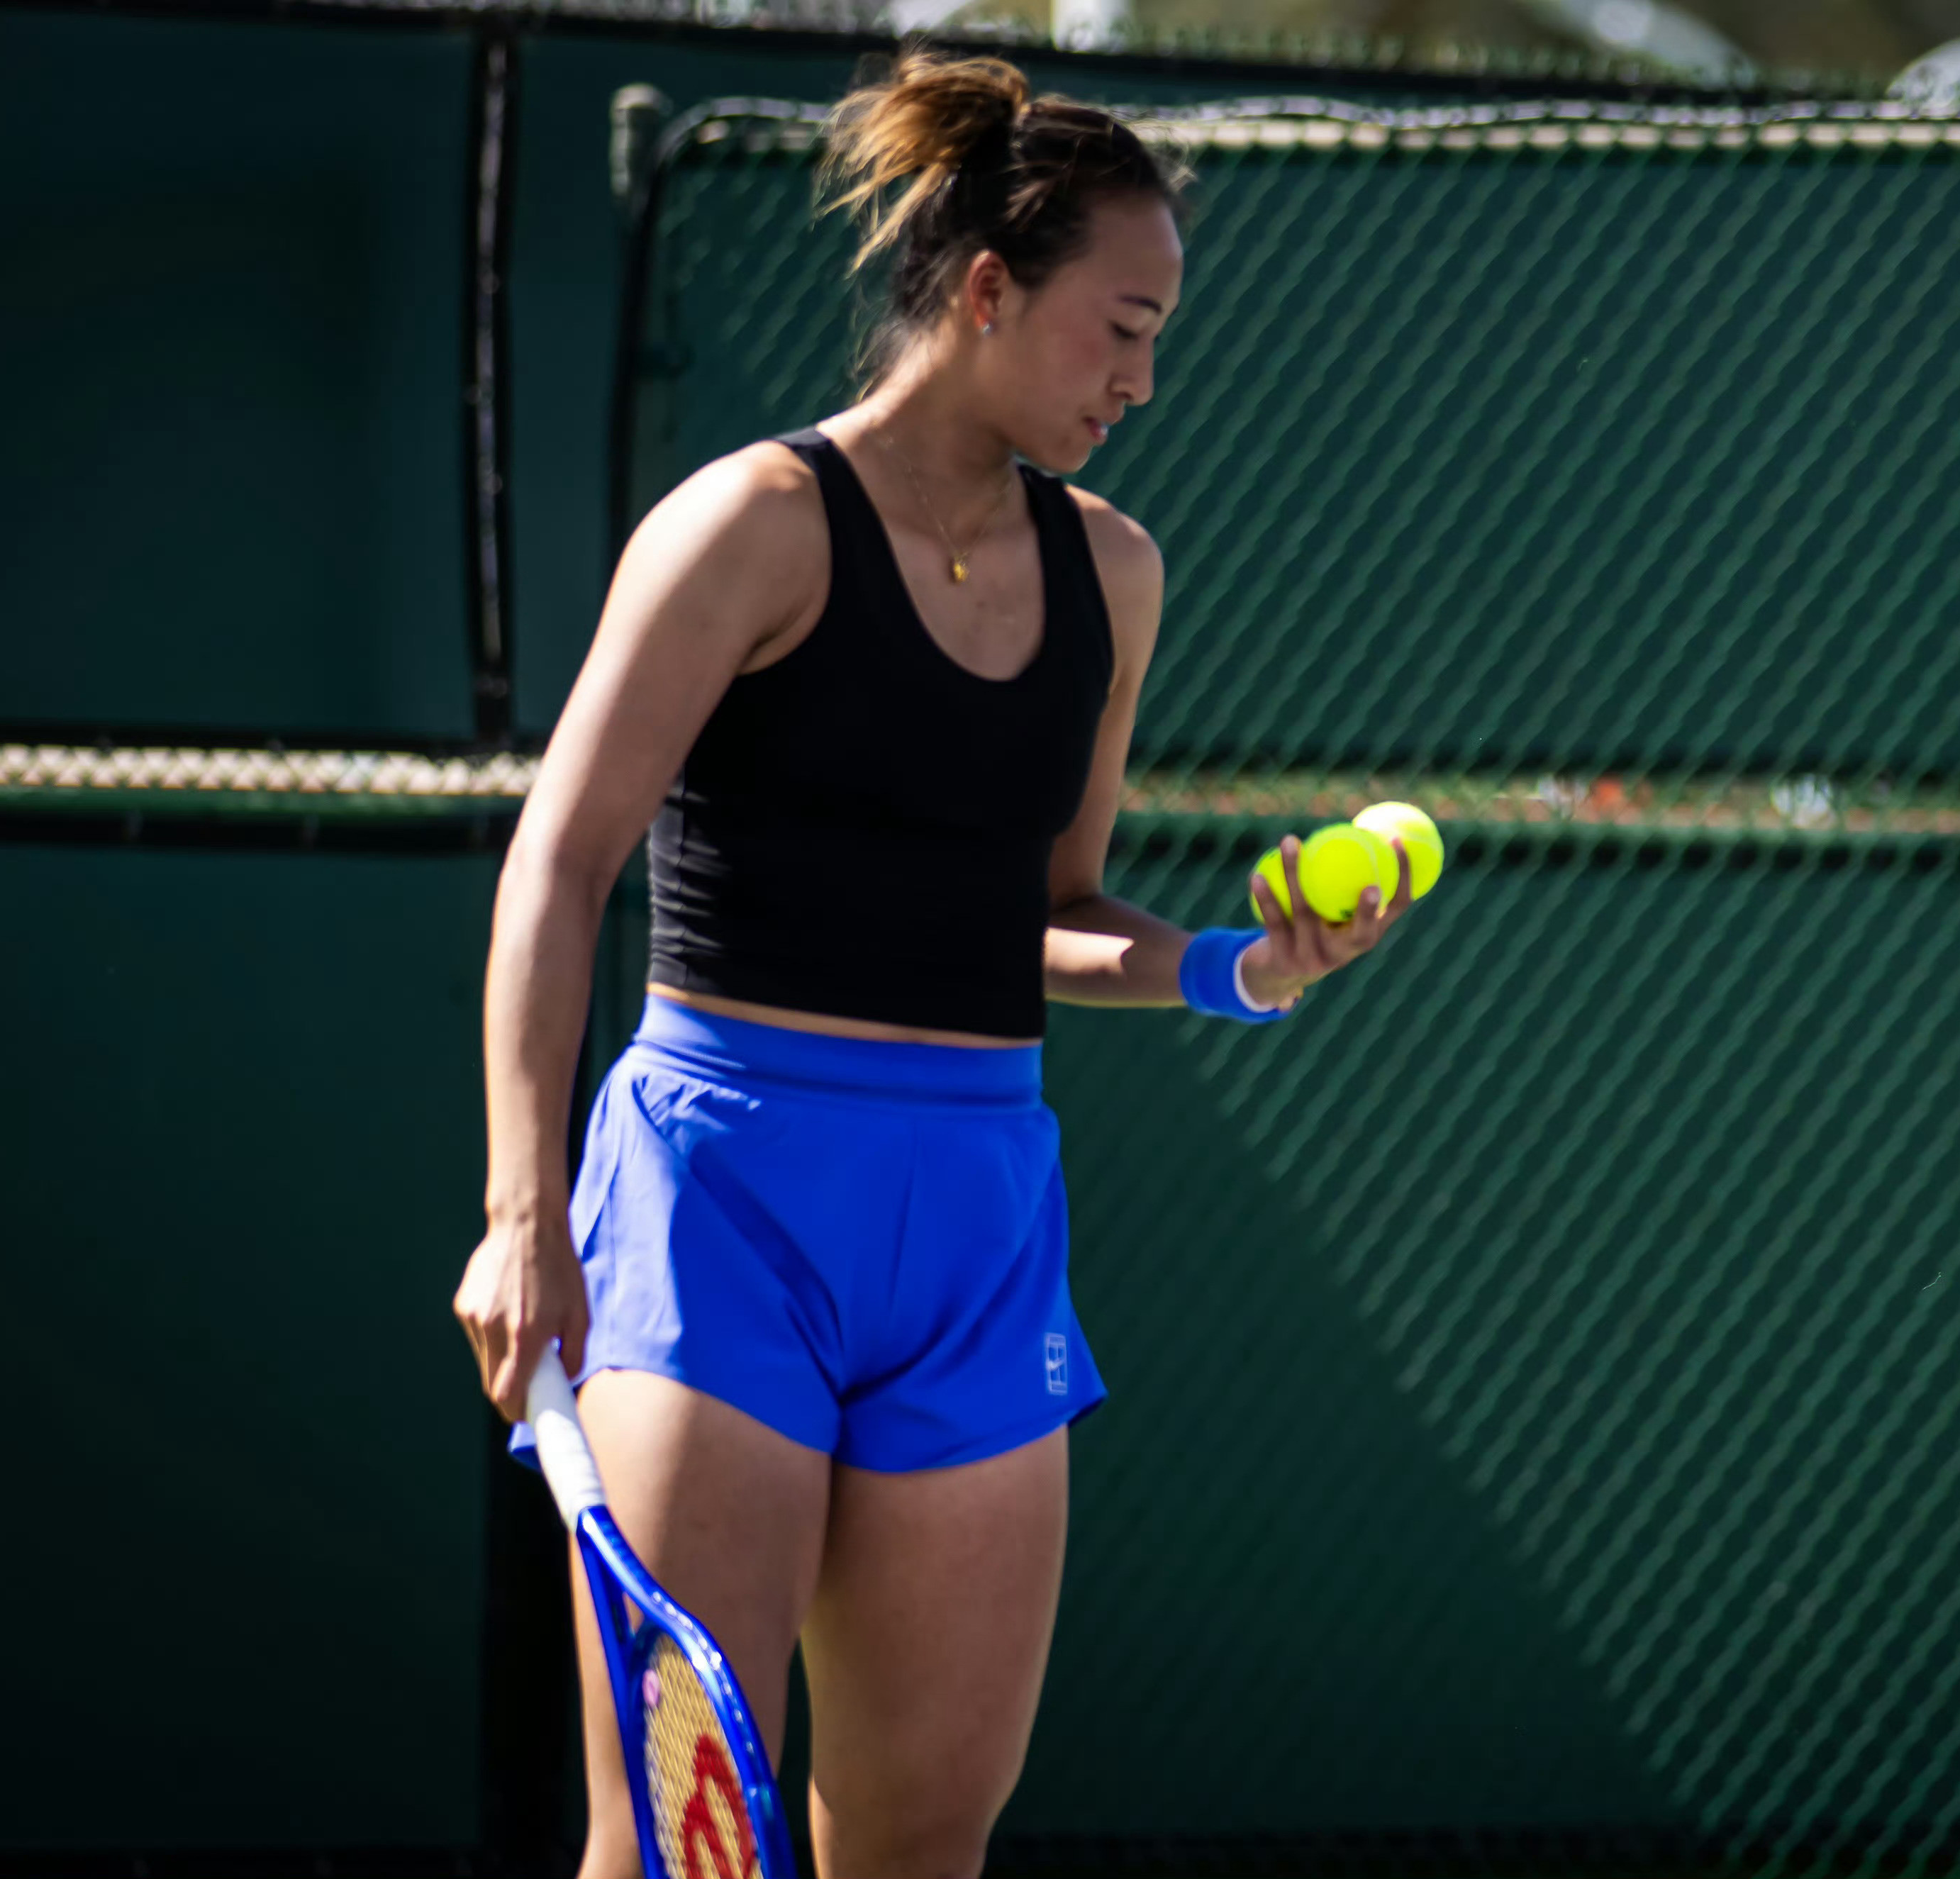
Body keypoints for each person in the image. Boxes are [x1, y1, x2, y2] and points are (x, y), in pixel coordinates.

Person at [449, 51, 1412, 1875]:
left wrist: (1241, 966)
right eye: (1119, 327)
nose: (1143, 379)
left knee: (919, 1840)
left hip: (972, 1228)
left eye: (1159, 338)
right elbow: (557, 865)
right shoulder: (747, 526)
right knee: (669, 1843)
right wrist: (520, 1210)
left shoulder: (1115, 575)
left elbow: (1045, 910)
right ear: (986, 292)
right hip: (715, 1205)